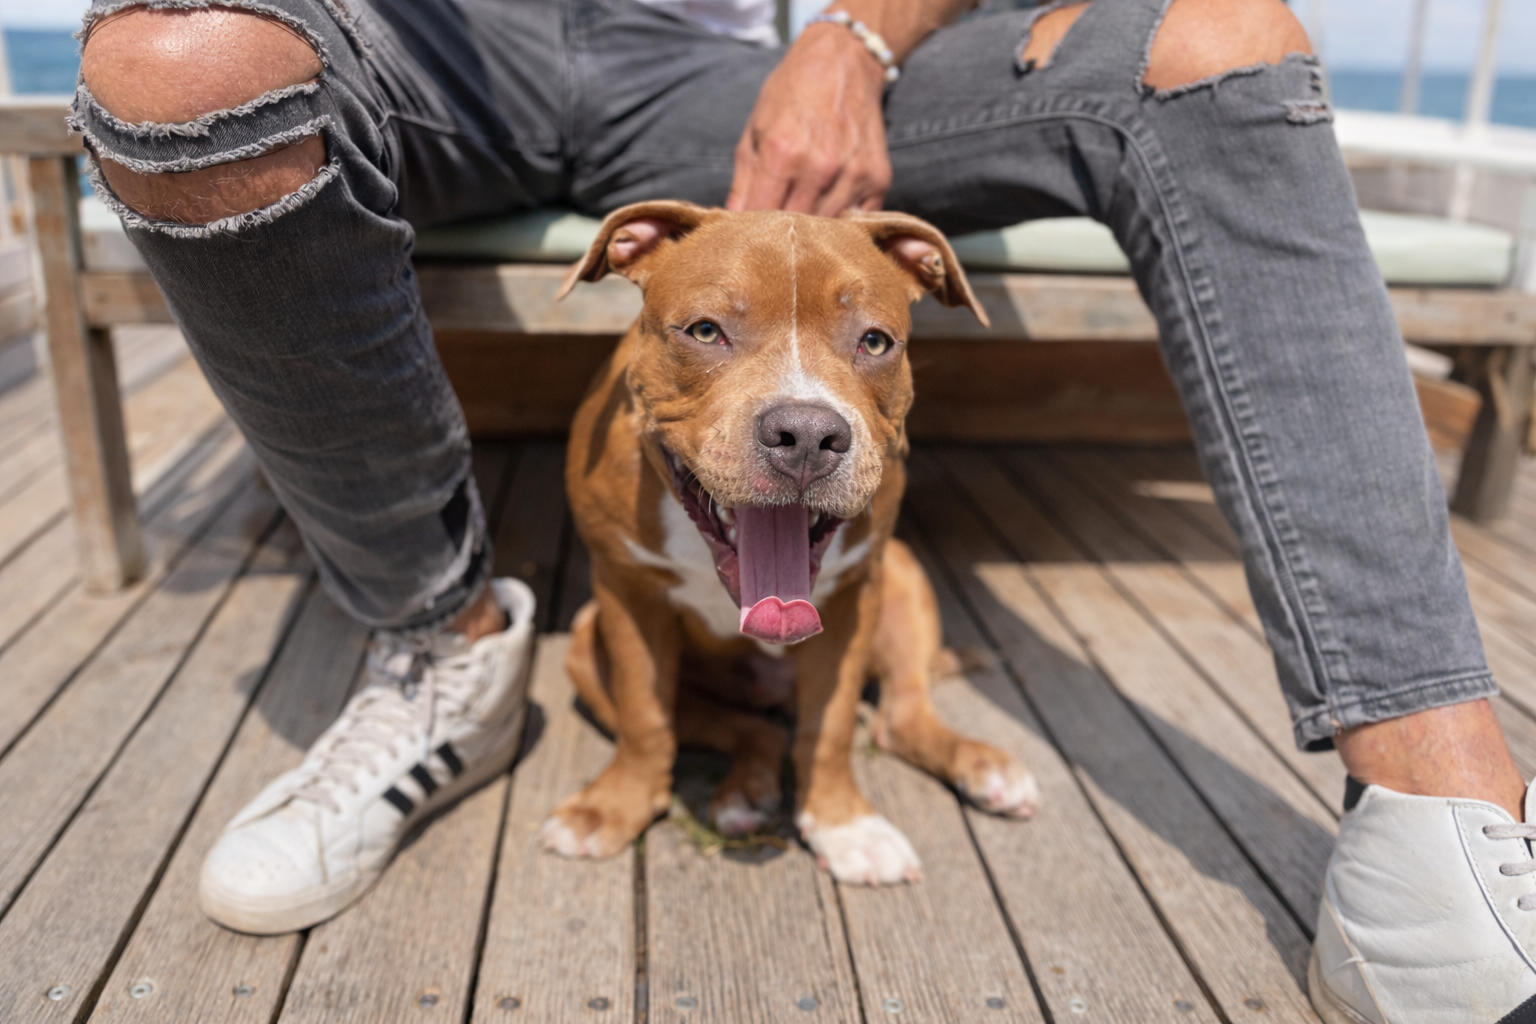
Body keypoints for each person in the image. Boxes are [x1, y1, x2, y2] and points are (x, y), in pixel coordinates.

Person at [73, 0, 1534, 1016]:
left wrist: (847, 33)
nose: (804, 407)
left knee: (1222, 36)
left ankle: (1437, 810)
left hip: (709, 62)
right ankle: (436, 637)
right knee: (171, 58)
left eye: (872, 350)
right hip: (429, 46)